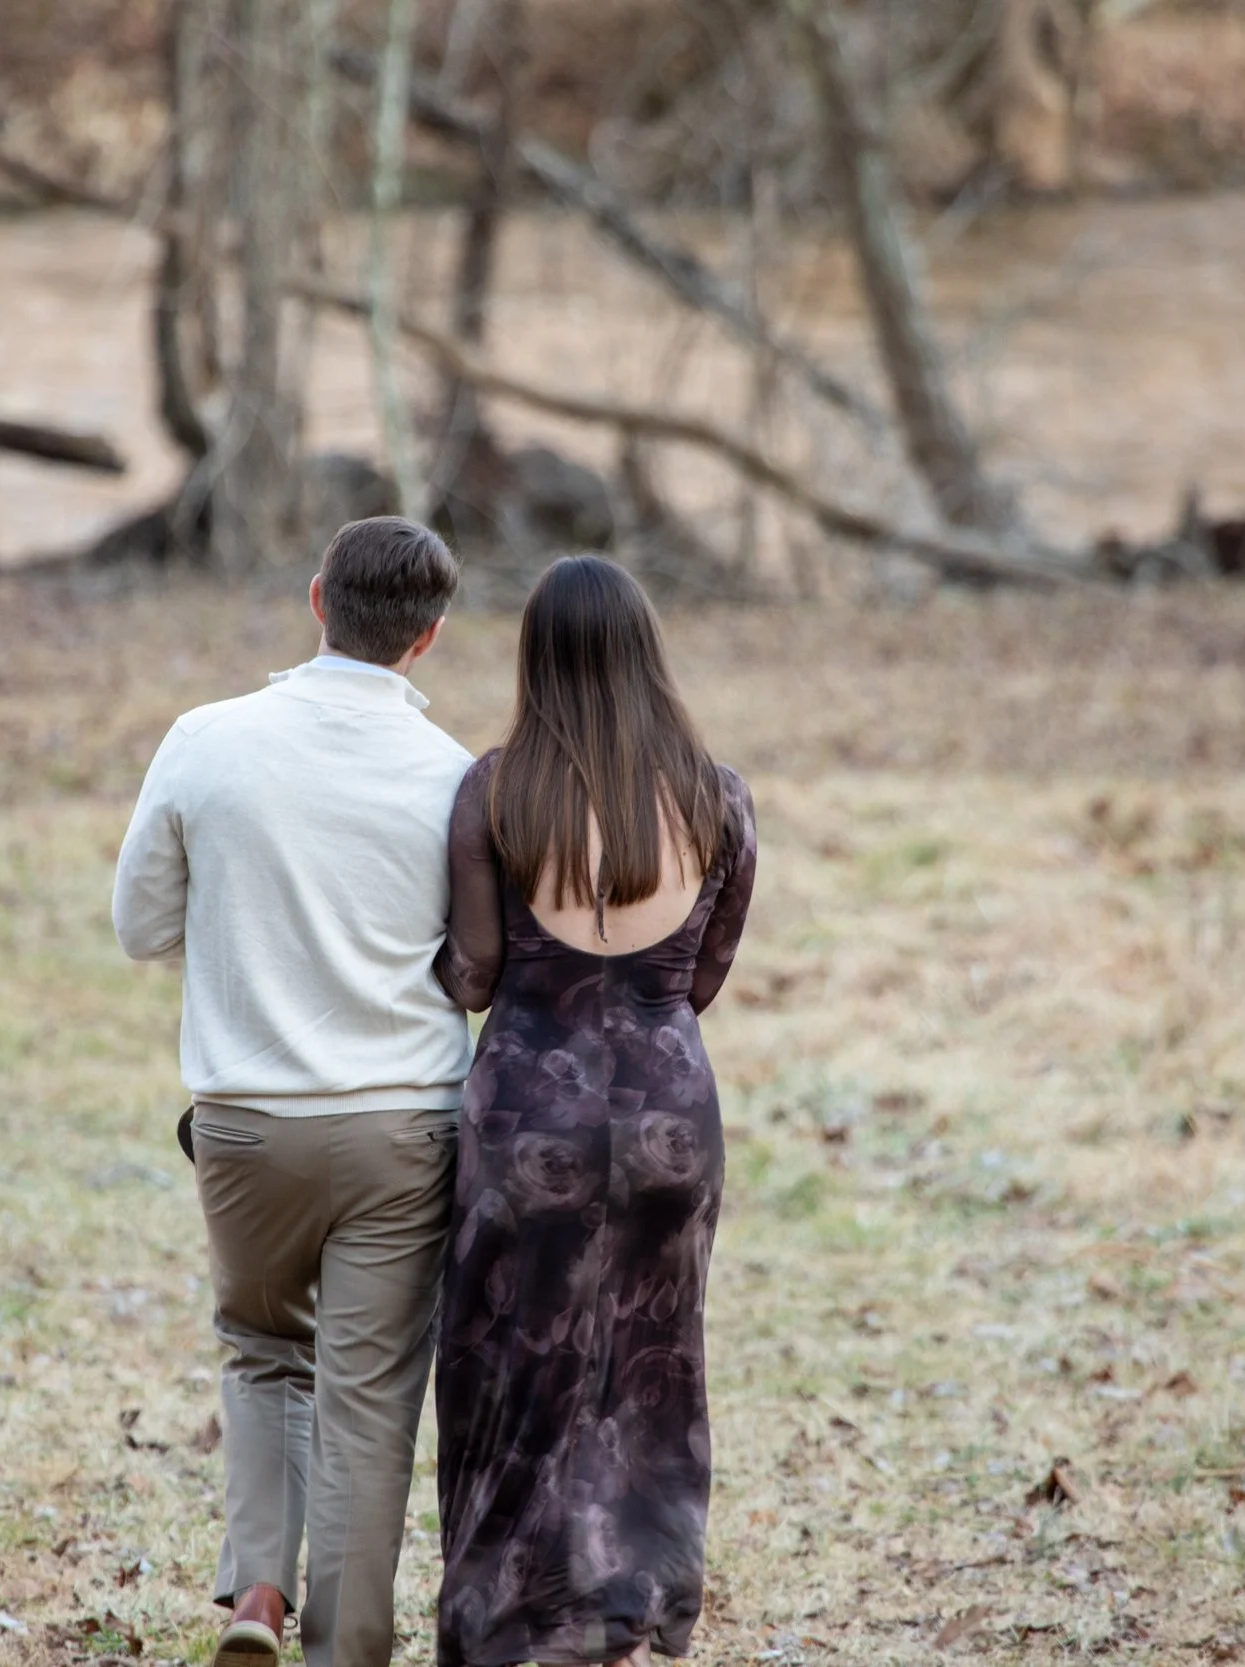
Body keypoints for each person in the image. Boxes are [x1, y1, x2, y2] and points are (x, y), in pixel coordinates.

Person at [112, 517, 474, 1667]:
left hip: (247, 1121)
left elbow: (139, 926)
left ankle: (257, 1594)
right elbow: (476, 956)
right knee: (367, 1396)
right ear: (427, 639)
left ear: (317, 598)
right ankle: (348, 1648)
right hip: (405, 1124)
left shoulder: (205, 739)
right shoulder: (454, 774)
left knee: (264, 1347)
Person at [431, 555, 758, 1667]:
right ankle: (636, 1603)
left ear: (536, 658)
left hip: (530, 1113)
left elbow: (474, 973)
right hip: (672, 1115)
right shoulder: (718, 795)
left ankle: (517, 1621)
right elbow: (702, 976)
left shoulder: (492, 791)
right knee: (652, 1361)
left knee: (517, 1368)